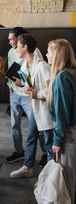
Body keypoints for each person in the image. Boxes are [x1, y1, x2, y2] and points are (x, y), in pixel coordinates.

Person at [10, 33, 54, 178]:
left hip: (46, 112)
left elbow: (51, 91)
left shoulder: (43, 66)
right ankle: (28, 167)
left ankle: (49, 178)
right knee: (30, 138)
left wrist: (37, 94)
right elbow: (30, 86)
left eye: (18, 46)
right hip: (36, 109)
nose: (15, 48)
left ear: (25, 47)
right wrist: (22, 85)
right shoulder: (23, 67)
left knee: (48, 145)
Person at [6, 27, 47, 165]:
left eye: (12, 39)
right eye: (9, 39)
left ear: (21, 40)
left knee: (38, 127)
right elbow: (12, 70)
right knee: (14, 125)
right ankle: (19, 152)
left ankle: (46, 154)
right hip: (16, 94)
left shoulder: (36, 55)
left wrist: (24, 84)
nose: (11, 42)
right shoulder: (11, 52)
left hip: (30, 95)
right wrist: (11, 86)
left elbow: (36, 74)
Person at [46, 39, 76, 204]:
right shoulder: (72, 73)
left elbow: (63, 114)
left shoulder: (62, 78)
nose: (46, 55)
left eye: (49, 52)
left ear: (56, 55)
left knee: (68, 183)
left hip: (69, 135)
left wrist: (57, 141)